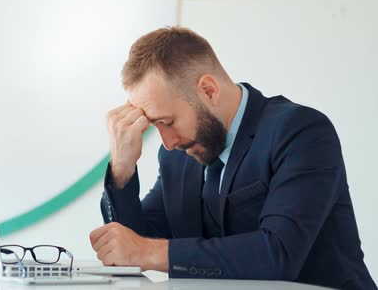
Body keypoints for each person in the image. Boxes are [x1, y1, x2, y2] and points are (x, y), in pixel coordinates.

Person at [89, 26, 376, 290]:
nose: (168, 142)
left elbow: (278, 254)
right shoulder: (177, 157)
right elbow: (135, 244)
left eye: (168, 121)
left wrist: (147, 251)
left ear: (208, 90)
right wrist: (122, 170)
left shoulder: (301, 132)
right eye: (155, 126)